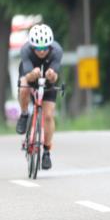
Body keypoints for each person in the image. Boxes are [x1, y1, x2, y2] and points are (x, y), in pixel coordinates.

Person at [16, 24, 62, 170]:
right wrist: (32, 74)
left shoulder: (57, 51)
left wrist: (51, 75)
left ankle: (47, 151)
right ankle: (24, 115)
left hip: (47, 80)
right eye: (38, 48)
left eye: (44, 48)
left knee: (48, 116)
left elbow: (55, 77)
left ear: (50, 46)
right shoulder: (26, 50)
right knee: (23, 86)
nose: (41, 52)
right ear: (32, 46)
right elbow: (27, 75)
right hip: (30, 74)